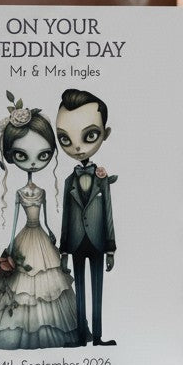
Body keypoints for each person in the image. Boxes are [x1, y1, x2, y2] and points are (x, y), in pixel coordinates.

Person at [0, 98, 83, 349]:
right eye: (21, 154)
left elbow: (45, 219)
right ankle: (17, 333)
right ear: (10, 155)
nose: (32, 163)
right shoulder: (20, 192)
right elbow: (14, 220)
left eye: (43, 155)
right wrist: (9, 245)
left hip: (40, 235)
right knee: (23, 285)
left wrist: (52, 235)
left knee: (46, 284)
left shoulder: (41, 190)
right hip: (25, 236)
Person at [56, 88, 117, 346]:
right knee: (78, 290)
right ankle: (81, 335)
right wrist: (63, 251)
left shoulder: (103, 181)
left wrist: (111, 248)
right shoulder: (69, 180)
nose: (78, 146)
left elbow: (109, 214)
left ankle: (99, 337)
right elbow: (66, 217)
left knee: (98, 291)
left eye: (90, 135)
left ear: (105, 134)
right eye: (65, 139)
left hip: (98, 241)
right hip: (77, 243)